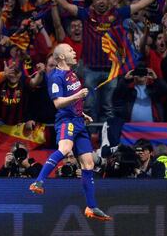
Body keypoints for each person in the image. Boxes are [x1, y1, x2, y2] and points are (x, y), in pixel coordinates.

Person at [29, 43, 112, 221]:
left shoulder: (72, 74)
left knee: (88, 164)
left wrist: (83, 113)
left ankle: (91, 207)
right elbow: (58, 103)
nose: (74, 52)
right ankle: (39, 181)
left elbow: (72, 100)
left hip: (78, 121)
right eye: (70, 51)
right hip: (66, 121)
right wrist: (78, 96)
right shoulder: (55, 77)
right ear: (61, 57)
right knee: (65, 148)